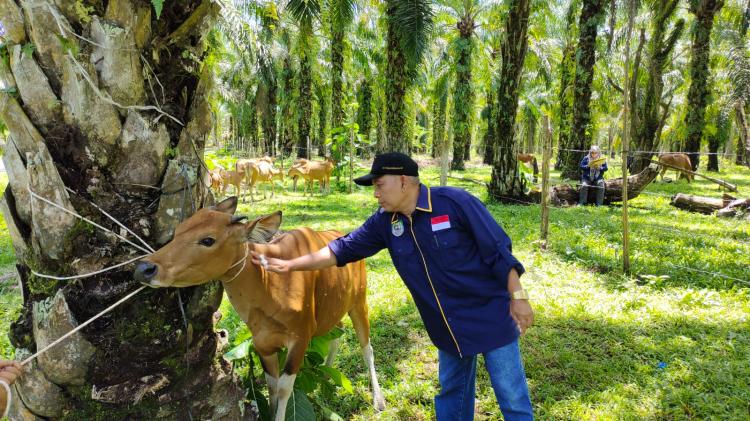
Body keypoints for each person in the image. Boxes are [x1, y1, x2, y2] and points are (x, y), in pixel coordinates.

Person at [251, 152, 534, 420]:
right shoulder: (386, 222)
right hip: (445, 324)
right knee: (453, 395)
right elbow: (342, 249)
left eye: (379, 185)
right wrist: (291, 264)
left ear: (403, 181)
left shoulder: (455, 203)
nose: (375, 193)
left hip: (490, 315)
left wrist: (518, 296)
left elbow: (496, 249)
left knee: (511, 396)